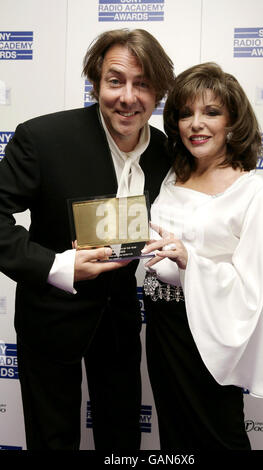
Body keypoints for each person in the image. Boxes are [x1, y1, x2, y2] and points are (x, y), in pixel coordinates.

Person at [0, 29, 174, 450]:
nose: (128, 97)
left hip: (119, 325)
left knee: (122, 443)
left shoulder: (165, 151)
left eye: (143, 83)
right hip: (49, 320)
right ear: (95, 83)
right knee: (52, 440)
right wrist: (58, 265)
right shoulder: (42, 139)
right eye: (116, 81)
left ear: (159, 92)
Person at [142, 62, 263, 450]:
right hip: (163, 327)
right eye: (185, 114)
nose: (196, 123)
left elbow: (254, 287)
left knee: (219, 435)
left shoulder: (251, 191)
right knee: (175, 437)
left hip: (212, 332)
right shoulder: (170, 176)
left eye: (211, 112)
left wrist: (191, 262)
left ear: (232, 122)